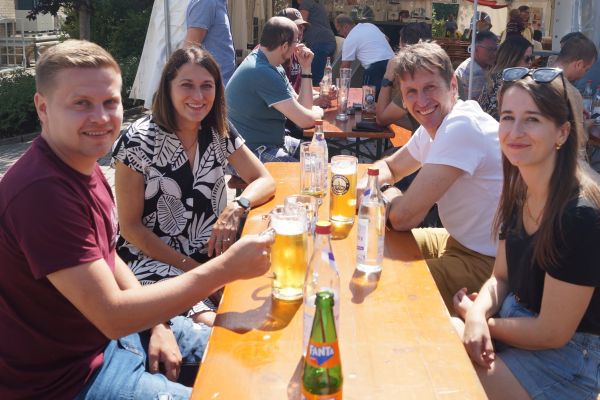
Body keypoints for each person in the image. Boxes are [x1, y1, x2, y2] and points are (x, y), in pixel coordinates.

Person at [0, 40, 273, 399]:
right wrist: (226, 269)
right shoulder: (41, 192)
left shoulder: (82, 166)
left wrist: (156, 323)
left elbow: (108, 256)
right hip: (71, 379)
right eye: (81, 103)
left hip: (117, 339)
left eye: (110, 102)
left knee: (250, 355)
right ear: (43, 107)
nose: (101, 118)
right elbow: (112, 314)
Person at [452, 67, 600, 400]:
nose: (515, 132)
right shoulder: (520, 190)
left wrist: (478, 321)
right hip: (515, 323)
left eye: (532, 119)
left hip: (567, 360)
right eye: (507, 117)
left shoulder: (580, 216)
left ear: (562, 132)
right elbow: (500, 277)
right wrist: (478, 312)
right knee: (437, 340)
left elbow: (552, 332)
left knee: (445, 376)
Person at [112, 47, 276, 326]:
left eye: (206, 86)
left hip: (209, 258)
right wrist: (201, 274)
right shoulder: (138, 141)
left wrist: (238, 206)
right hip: (153, 262)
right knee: (221, 326)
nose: (198, 96)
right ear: (168, 88)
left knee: (269, 301)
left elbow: (264, 179)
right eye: (187, 85)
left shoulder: (217, 130)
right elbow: (130, 228)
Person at [360, 42, 503, 309]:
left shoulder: (461, 126)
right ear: (403, 98)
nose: (422, 101)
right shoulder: (435, 126)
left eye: (430, 88)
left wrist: (384, 191)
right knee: (369, 244)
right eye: (411, 92)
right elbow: (391, 167)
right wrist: (365, 183)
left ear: (452, 85)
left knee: (387, 282)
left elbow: (403, 218)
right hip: (456, 240)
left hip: (490, 264)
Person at [226, 16, 323, 162]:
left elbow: (303, 107)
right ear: (284, 46)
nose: (299, 46)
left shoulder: (273, 65)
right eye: (297, 41)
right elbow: (303, 121)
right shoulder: (261, 71)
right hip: (249, 153)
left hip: (271, 143)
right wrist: (319, 112)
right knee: (309, 169)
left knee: (320, 155)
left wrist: (306, 68)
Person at [334, 14, 395, 95]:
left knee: (368, 99)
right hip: (393, 63)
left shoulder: (350, 38)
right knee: (388, 97)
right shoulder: (369, 25)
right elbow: (387, 39)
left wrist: (338, 87)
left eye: (339, 31)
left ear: (345, 26)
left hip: (375, 69)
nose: (340, 34)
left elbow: (345, 68)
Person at [478, 36, 533, 120]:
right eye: (527, 59)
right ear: (514, 58)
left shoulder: (495, 76)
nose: (530, 62)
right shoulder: (509, 81)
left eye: (531, 58)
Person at [185, 0, 236, 85]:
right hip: (212, 85)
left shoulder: (217, 3)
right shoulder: (206, 3)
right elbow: (189, 51)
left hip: (220, 84)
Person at [297, 0, 336, 86]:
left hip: (320, 43)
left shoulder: (305, 3)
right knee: (324, 78)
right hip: (328, 41)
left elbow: (301, 24)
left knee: (315, 80)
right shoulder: (317, 4)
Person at [455, 30, 498, 101]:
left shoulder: (476, 65)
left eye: (495, 49)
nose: (494, 53)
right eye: (490, 49)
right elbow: (478, 103)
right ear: (477, 49)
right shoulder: (475, 73)